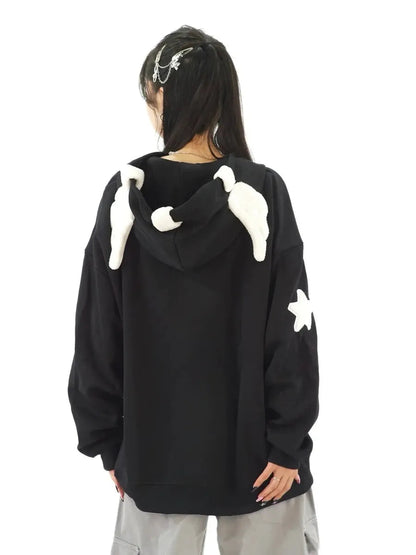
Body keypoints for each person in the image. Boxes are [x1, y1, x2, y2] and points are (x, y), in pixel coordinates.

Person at [67, 24, 321, 555]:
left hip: (153, 454)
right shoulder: (262, 191)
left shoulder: (125, 197)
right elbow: (291, 324)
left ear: (162, 98)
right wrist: (287, 441)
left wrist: (106, 438)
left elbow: (97, 325)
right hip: (261, 458)